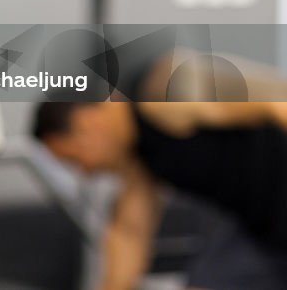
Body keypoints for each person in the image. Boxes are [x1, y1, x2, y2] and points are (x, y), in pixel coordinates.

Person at [34, 94, 287, 290]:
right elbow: (130, 234)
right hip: (258, 227)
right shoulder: (140, 159)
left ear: (86, 123)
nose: (85, 172)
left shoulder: (160, 97)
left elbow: (274, 103)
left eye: (75, 158)